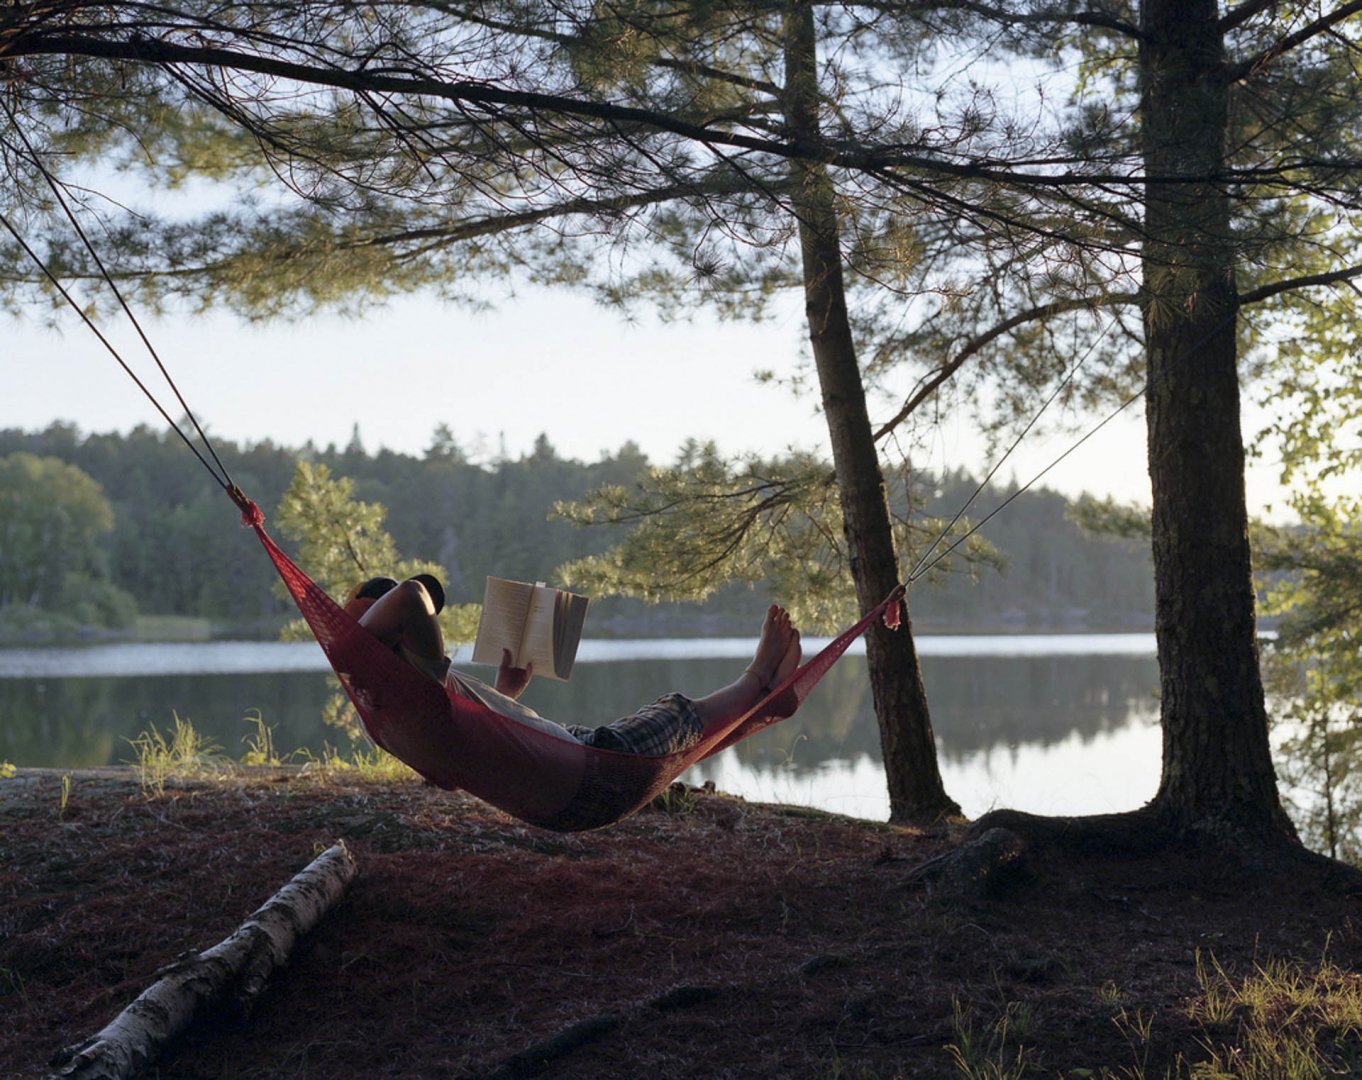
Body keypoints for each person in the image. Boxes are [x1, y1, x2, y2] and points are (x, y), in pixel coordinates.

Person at [341, 574, 802, 755]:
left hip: (555, 747)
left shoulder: (396, 702)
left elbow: (466, 749)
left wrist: (506, 690)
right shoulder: (409, 683)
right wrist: (354, 636)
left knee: (659, 720)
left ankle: (764, 700)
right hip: (570, 764)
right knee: (673, 715)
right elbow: (411, 595)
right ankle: (758, 680)